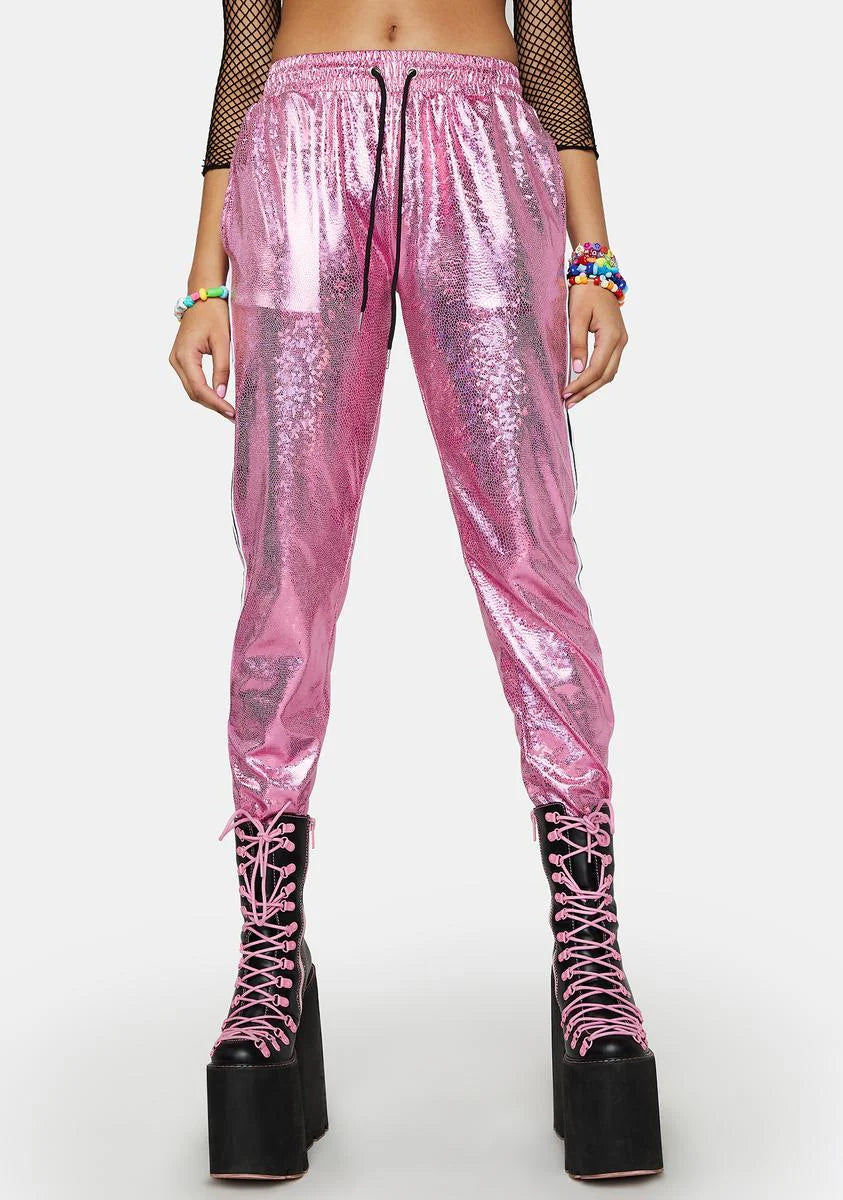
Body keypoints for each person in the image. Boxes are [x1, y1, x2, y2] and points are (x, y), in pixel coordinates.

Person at [170, 0, 663, 1183]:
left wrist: (594, 255)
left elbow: (548, 44)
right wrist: (202, 281)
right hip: (298, 153)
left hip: (485, 149)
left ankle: (590, 955)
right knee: (286, 574)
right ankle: (268, 960)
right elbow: (244, 50)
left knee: (532, 565)